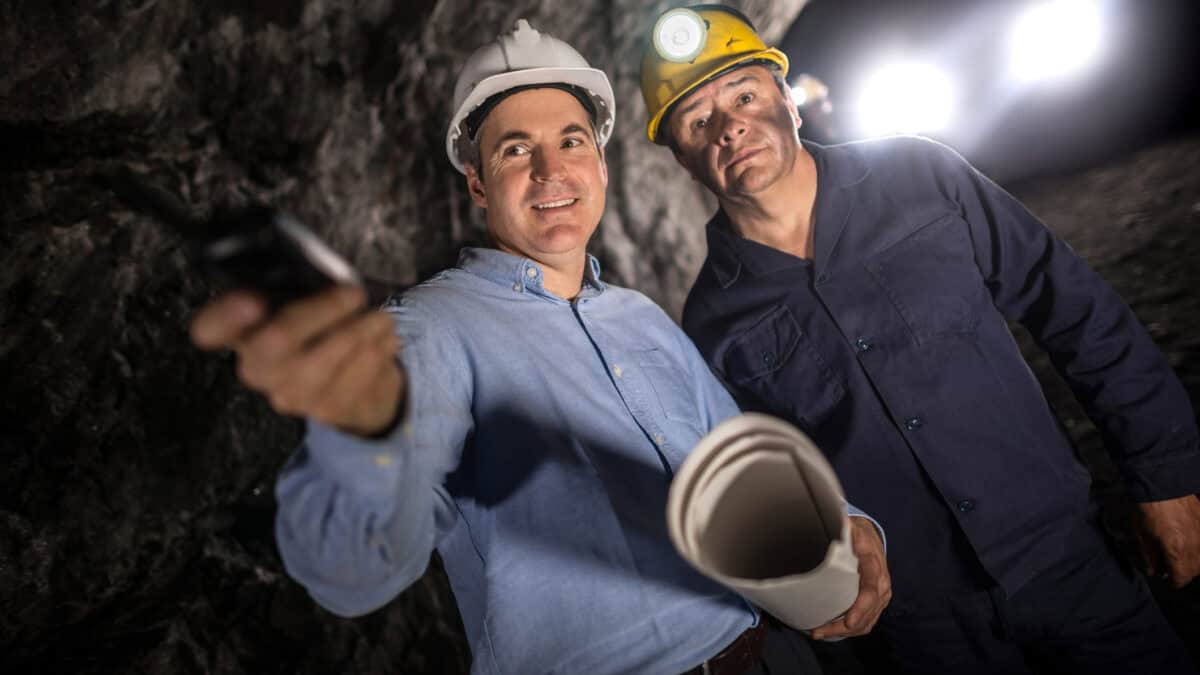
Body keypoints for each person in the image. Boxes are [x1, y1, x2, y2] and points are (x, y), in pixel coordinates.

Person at [189, 19, 891, 675]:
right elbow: (353, 572)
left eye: (571, 141)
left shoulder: (642, 318)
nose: (551, 172)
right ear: (477, 184)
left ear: (602, 168)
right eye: (516, 149)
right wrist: (362, 435)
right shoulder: (428, 330)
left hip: (768, 653)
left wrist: (850, 523)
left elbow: (741, 461)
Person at [639, 5, 1200, 674]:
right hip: (925, 629)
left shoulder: (918, 176)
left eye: (745, 94)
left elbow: (1072, 307)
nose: (730, 125)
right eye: (699, 121)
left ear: (787, 99)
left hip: (1067, 558)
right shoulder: (713, 320)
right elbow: (770, 485)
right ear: (682, 158)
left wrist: (1164, 474)